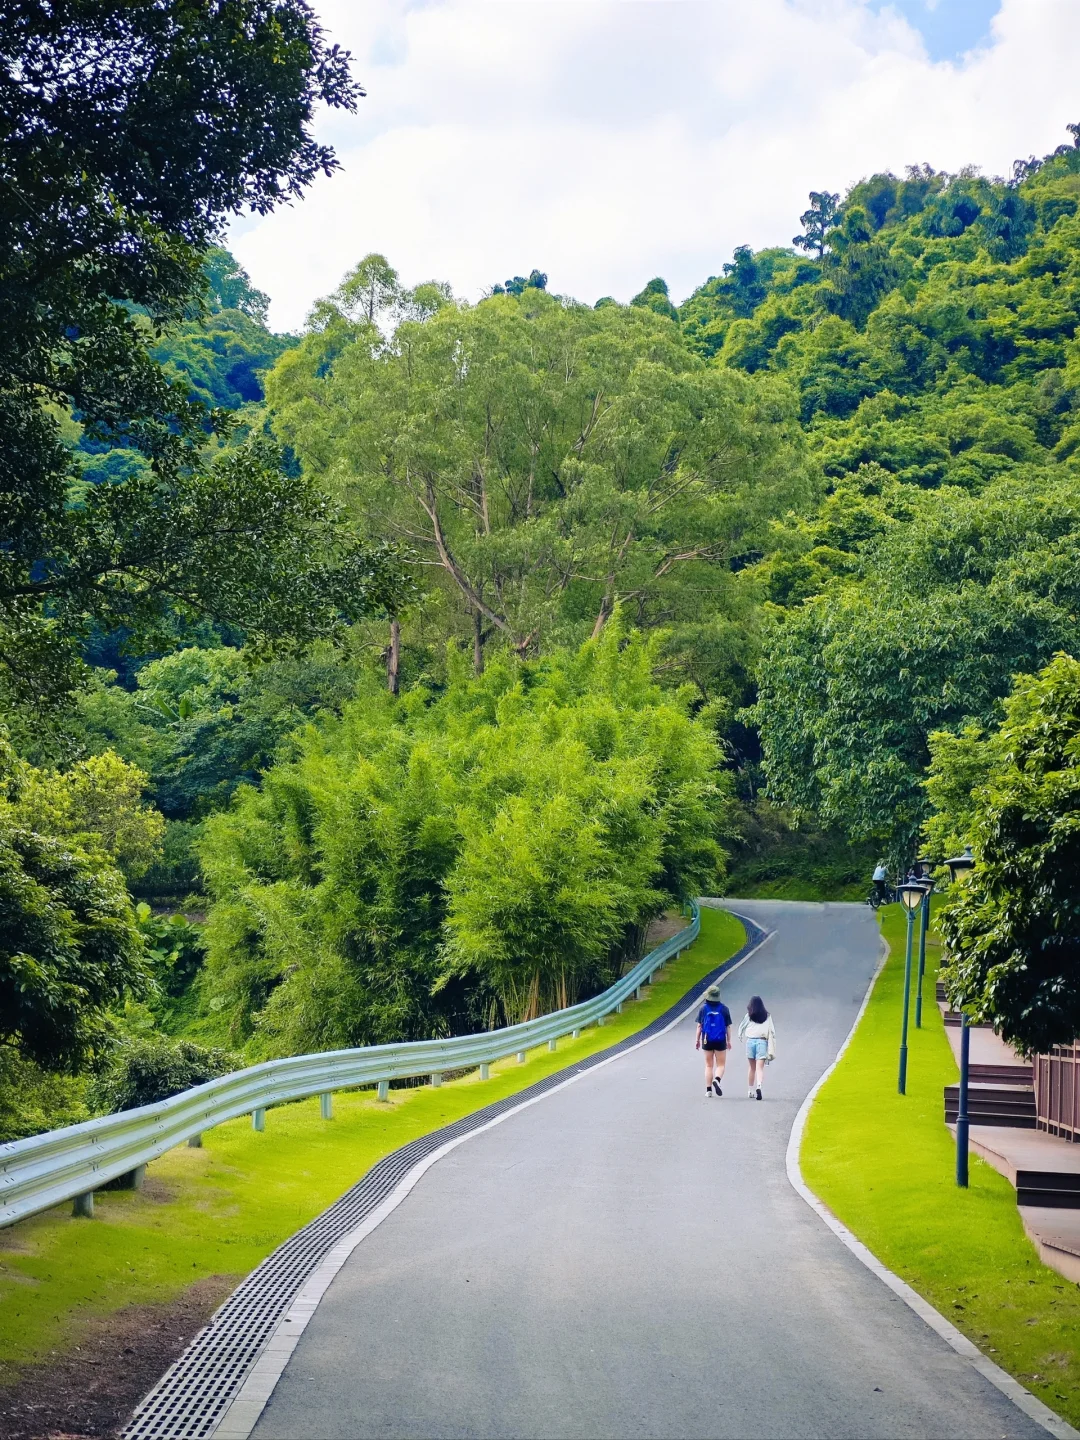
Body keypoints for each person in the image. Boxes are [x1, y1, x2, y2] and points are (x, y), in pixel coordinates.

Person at [695, 983, 732, 1097]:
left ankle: (708, 1090)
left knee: (709, 1065)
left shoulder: (703, 1009)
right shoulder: (724, 1009)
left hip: (707, 1039)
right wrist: (728, 1040)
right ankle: (717, 1079)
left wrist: (697, 1040)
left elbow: (699, 1026)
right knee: (721, 1065)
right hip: (720, 1040)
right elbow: (728, 1027)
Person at [738, 996, 775, 1100]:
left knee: (751, 1068)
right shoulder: (767, 1016)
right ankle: (759, 1085)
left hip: (750, 1041)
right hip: (762, 1042)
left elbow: (741, 1027)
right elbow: (772, 1031)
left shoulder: (749, 1016)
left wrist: (740, 1035)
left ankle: (750, 1090)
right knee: (760, 1068)